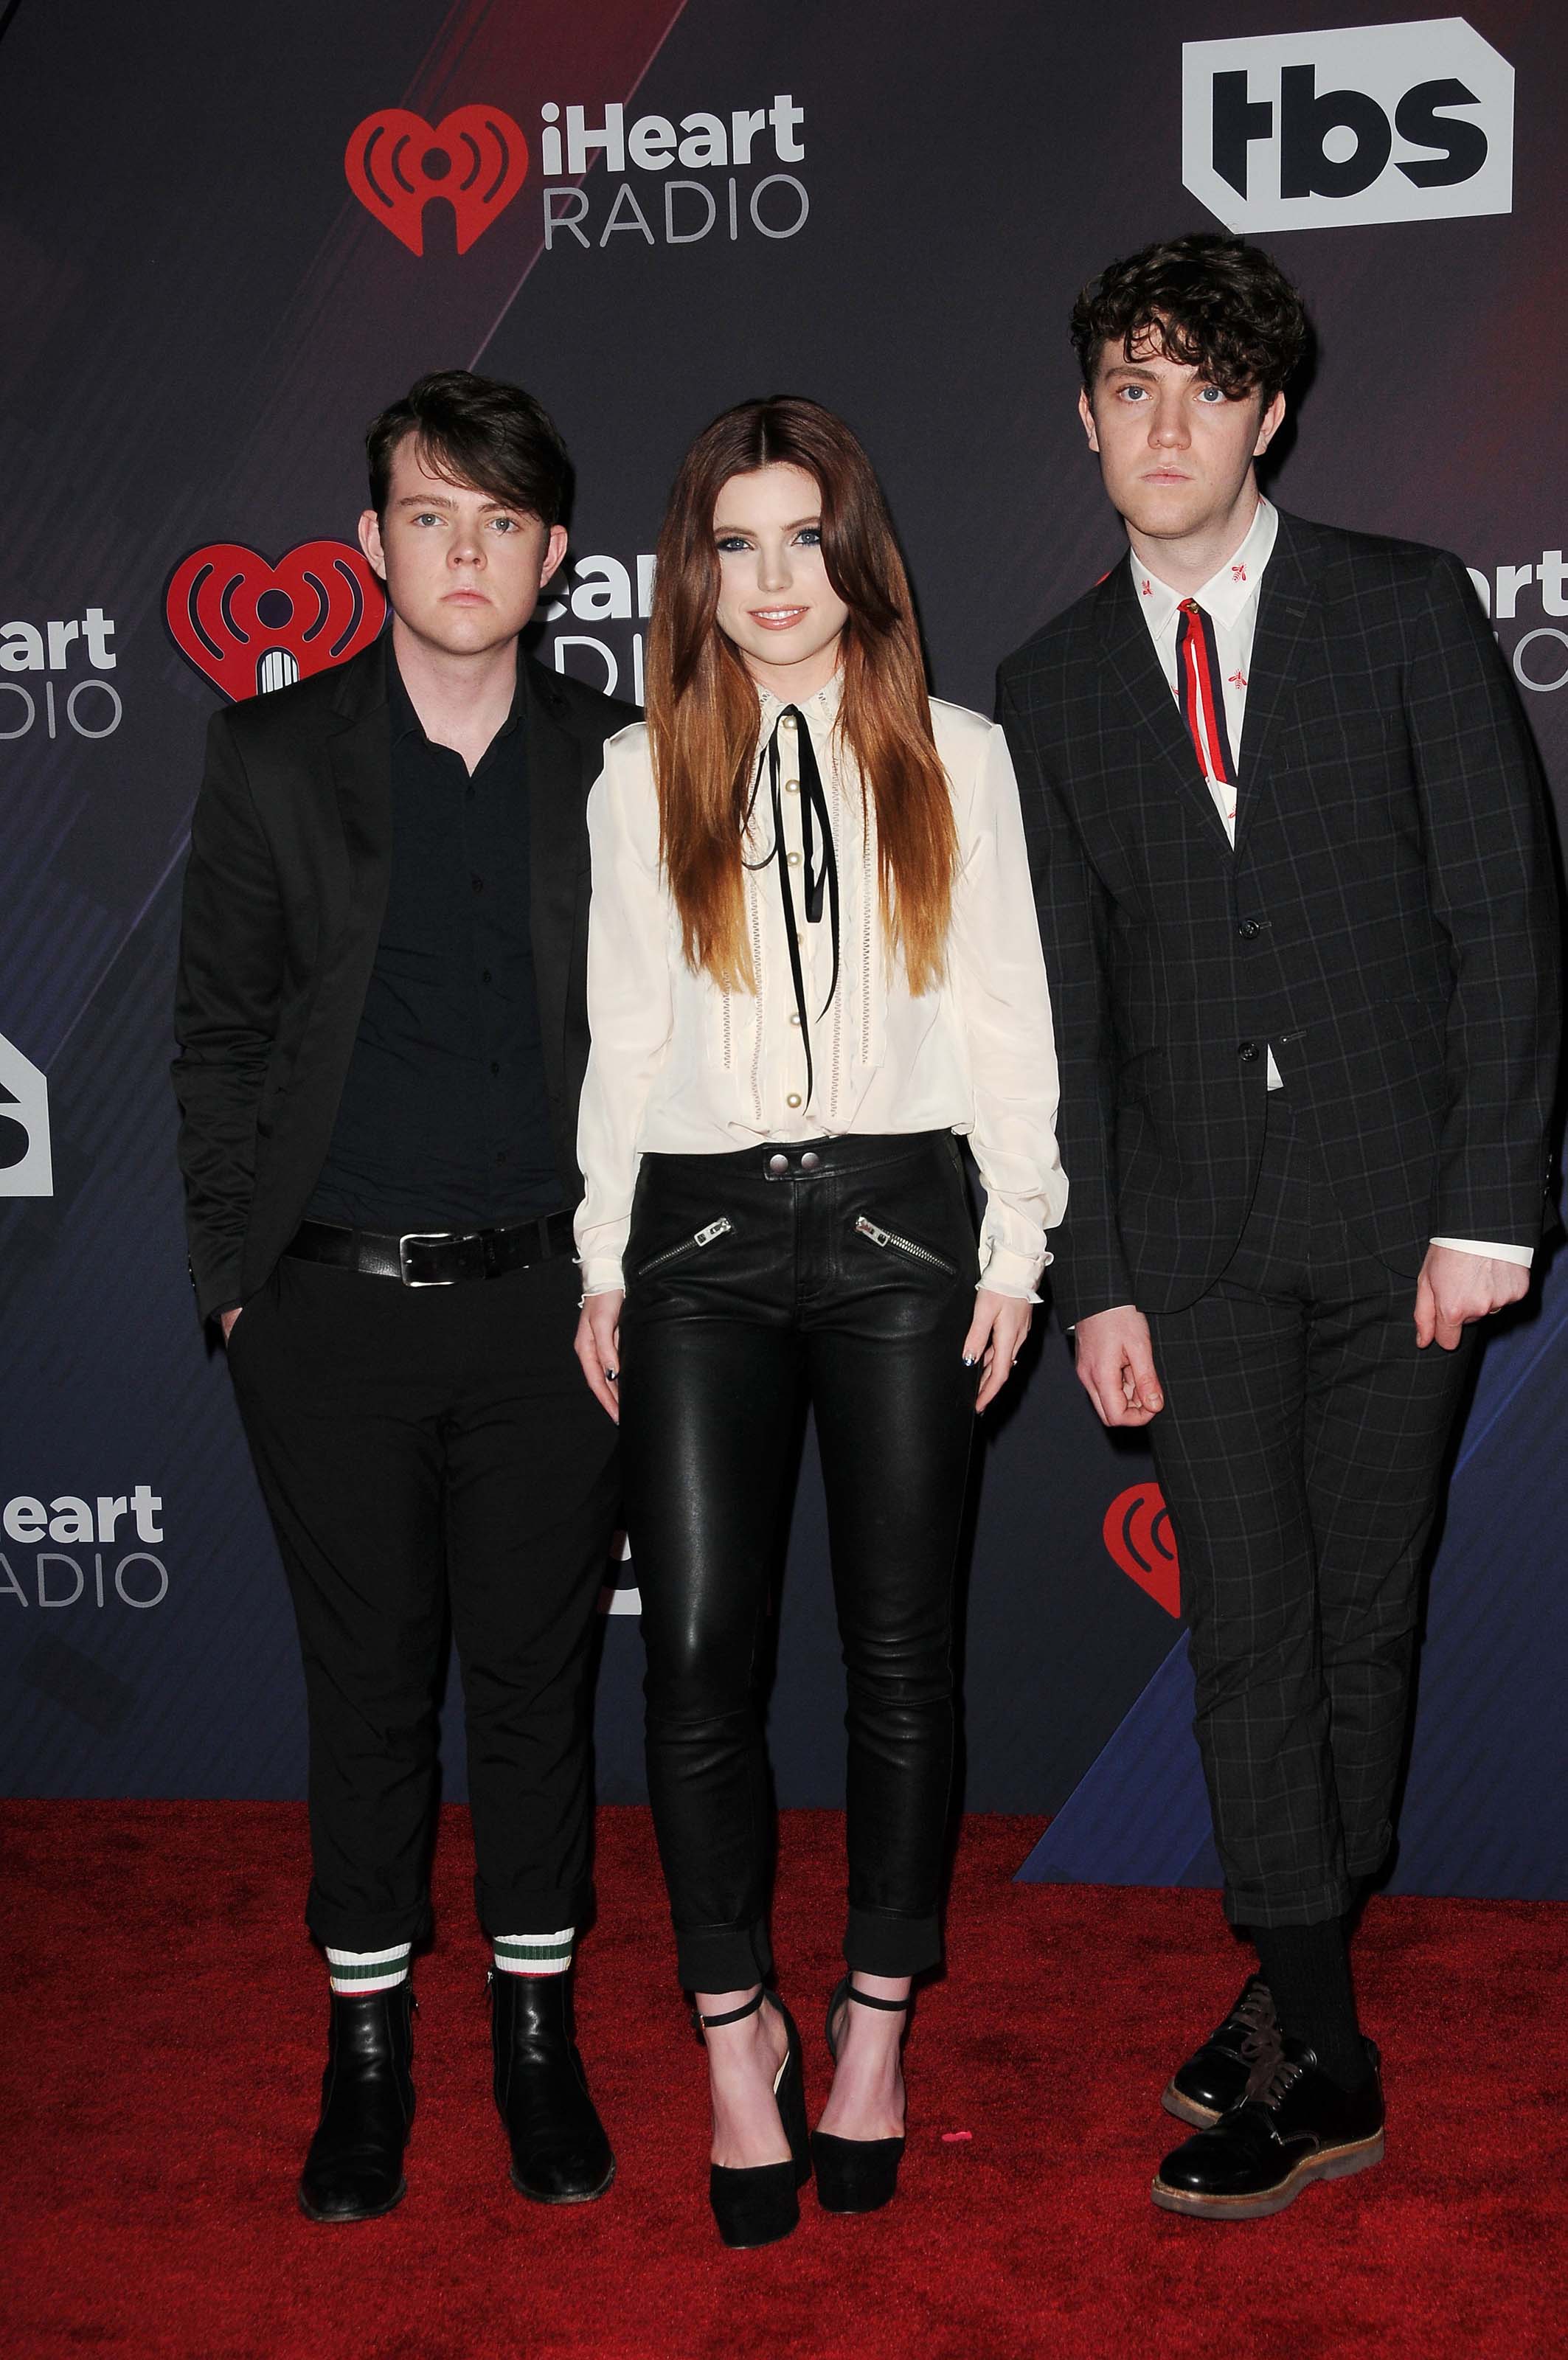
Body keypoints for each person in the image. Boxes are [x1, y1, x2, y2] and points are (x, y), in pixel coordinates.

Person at [999, 234, 1558, 2221]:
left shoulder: (1397, 612)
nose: (1164, 427)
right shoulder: (1046, 687)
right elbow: (1067, 1007)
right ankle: (1322, 2056)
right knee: (1246, 1626)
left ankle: (1292, 1967)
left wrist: (1487, 1205)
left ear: (1267, 414)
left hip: (1403, 1216)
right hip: (1195, 1236)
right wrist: (1099, 1276)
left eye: (1201, 390)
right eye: (1126, 392)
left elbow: (1502, 923)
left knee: (1364, 1625)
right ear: (1083, 421)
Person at [573, 396, 1066, 2246]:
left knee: (896, 1653)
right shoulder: (641, 772)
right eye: (734, 542)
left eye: (802, 539)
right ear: (695, 569)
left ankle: (870, 2022)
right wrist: (600, 1260)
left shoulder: (961, 756)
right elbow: (623, 1037)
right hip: (694, 1233)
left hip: (897, 1232)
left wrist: (1015, 1249)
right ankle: (728, 2033)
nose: (771, 580)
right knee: (694, 1650)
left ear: (856, 555)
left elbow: (1008, 1016)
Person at [173, 370, 634, 2222]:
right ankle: (365, 2059)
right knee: (363, 1690)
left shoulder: (621, 756)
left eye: (501, 521)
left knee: (534, 1689)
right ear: (369, 544)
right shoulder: (267, 754)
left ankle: (541, 2041)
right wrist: (231, 1284)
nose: (466, 551)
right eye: (430, 516)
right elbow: (214, 1038)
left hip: (552, 1318)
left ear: (554, 555)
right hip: (328, 1317)